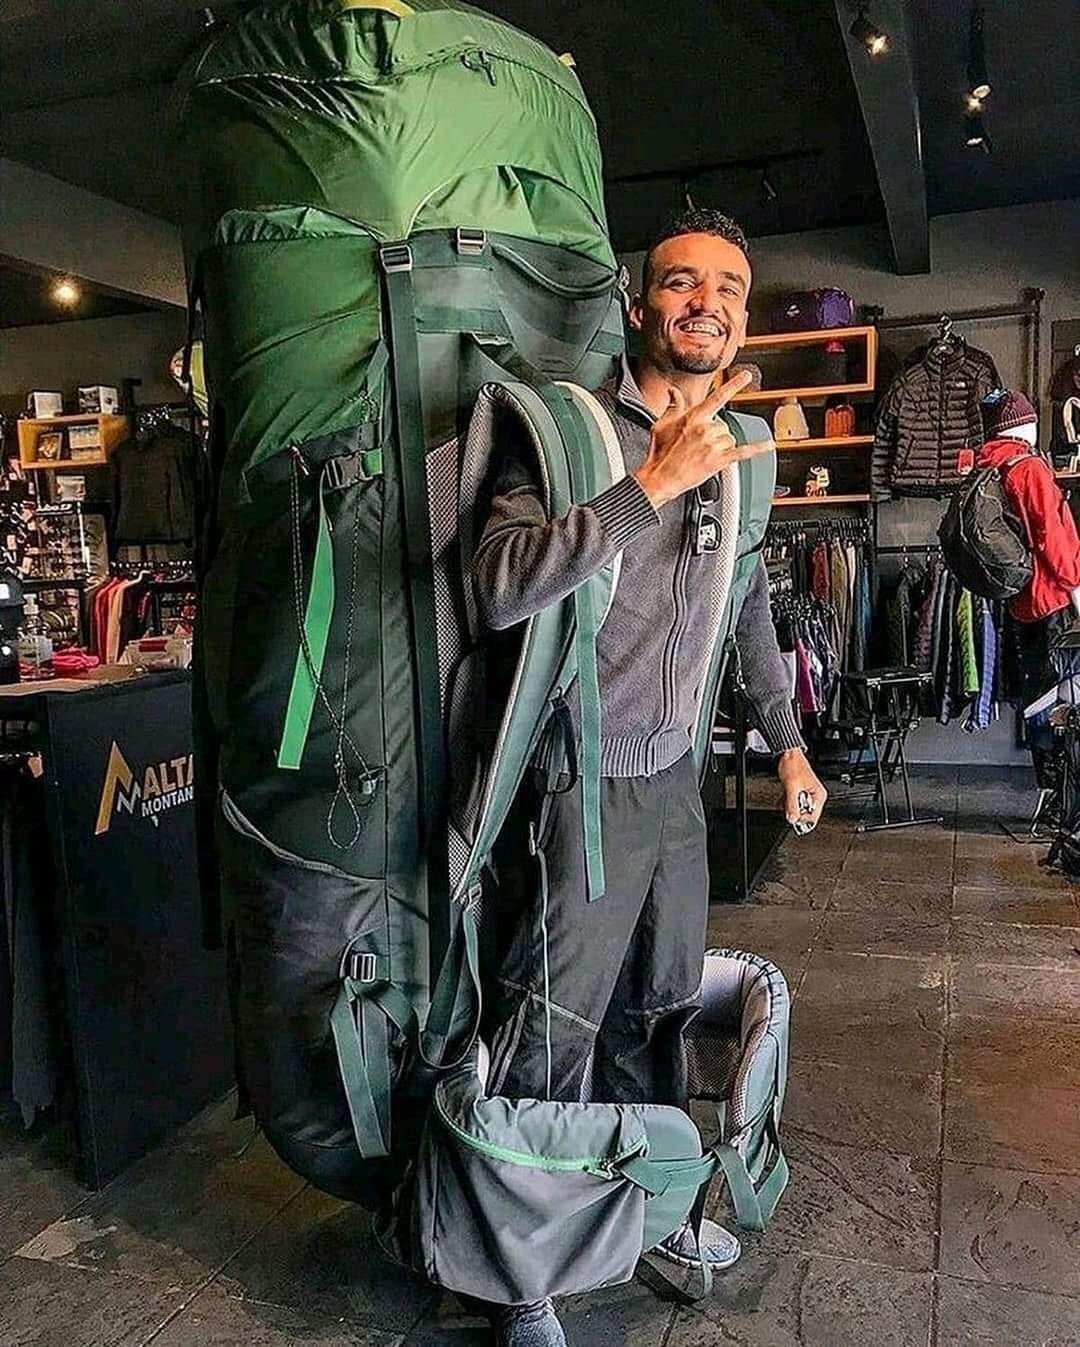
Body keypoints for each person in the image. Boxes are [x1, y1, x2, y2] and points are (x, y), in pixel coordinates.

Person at [472, 208, 827, 1347]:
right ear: (640, 305)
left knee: (659, 1013)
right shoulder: (568, 431)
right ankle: (520, 1270)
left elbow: (748, 602)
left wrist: (787, 741)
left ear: (743, 317)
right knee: (549, 1029)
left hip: (677, 781)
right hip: (576, 781)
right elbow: (498, 586)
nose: (705, 304)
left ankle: (648, 1217)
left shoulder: (748, 446)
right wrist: (651, 484)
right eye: (682, 283)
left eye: (728, 288)